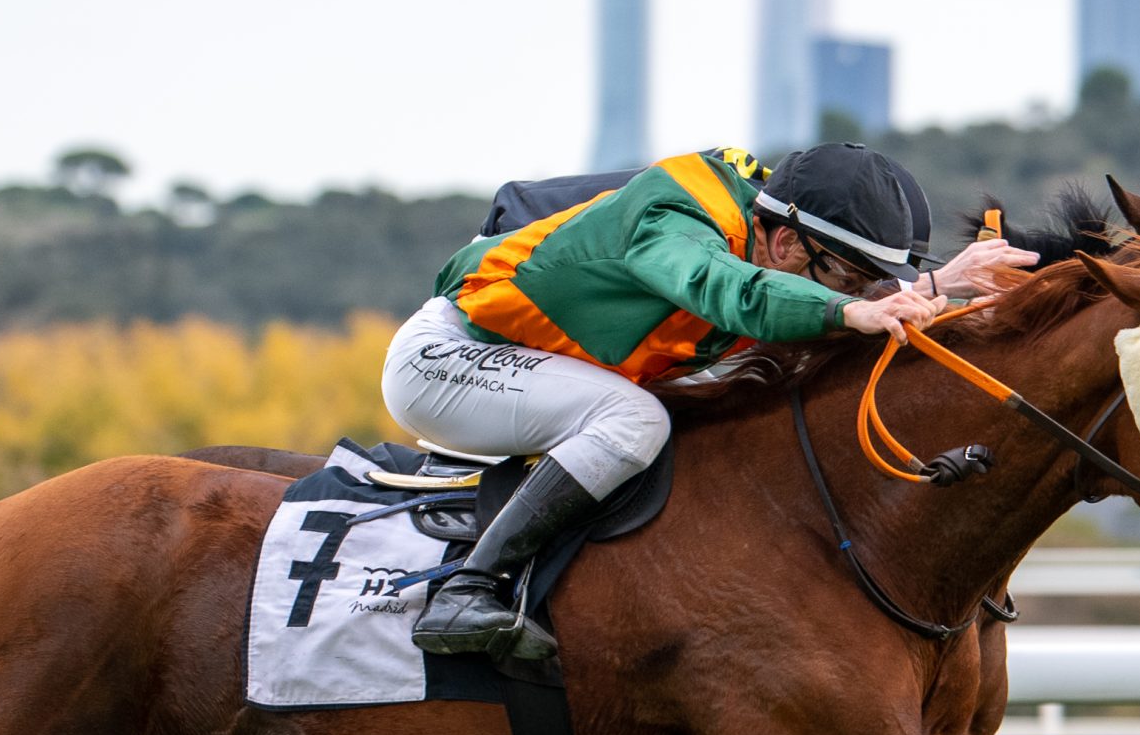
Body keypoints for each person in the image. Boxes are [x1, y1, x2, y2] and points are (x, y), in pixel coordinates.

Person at [382, 142, 1035, 660]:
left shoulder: (772, 231)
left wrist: (935, 285)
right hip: (446, 363)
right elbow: (728, 289)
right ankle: (467, 592)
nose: (862, 294)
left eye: (870, 283)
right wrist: (847, 309)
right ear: (784, 242)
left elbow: (787, 291)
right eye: (853, 278)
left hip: (537, 365)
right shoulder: (674, 222)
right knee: (634, 418)